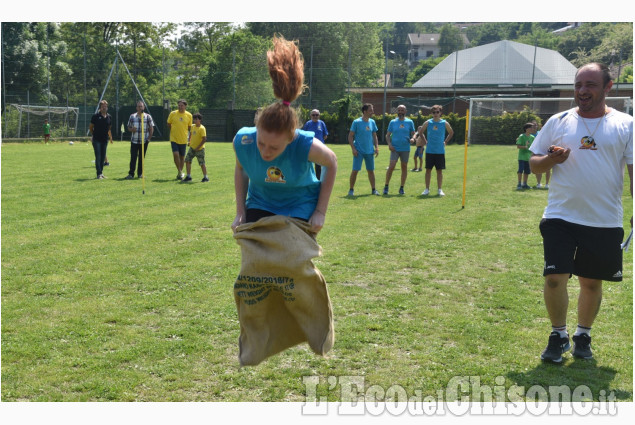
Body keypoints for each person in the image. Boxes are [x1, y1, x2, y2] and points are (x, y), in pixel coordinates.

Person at [529, 62, 633, 363]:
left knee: (590, 282)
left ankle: (583, 335)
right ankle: (558, 335)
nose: (582, 91)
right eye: (578, 85)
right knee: (554, 277)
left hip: (604, 218)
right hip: (560, 215)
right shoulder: (559, 120)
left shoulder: (626, 124)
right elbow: (534, 163)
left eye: (590, 85)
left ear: (607, 88)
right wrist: (551, 161)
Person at [231, 35, 337, 234]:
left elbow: (331, 162)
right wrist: (240, 213)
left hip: (299, 204)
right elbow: (241, 170)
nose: (265, 152)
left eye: (274, 147)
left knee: (292, 259)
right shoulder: (243, 141)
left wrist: (320, 211)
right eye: (261, 143)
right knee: (256, 258)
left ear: (291, 138)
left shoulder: (305, 145)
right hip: (260, 202)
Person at [419, 105, 454, 196]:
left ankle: (439, 189)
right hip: (430, 150)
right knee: (428, 170)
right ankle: (427, 189)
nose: (435, 114)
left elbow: (451, 132)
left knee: (439, 171)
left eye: (437, 112)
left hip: (440, 151)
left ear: (440, 113)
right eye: (434, 112)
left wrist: (445, 141)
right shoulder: (428, 122)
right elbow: (420, 132)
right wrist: (425, 141)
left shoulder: (444, 123)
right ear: (431, 113)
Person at [348, 104, 380, 196]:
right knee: (355, 170)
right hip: (359, 151)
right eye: (370, 110)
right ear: (365, 111)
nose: (372, 112)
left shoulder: (372, 122)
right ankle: (351, 190)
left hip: (369, 151)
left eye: (372, 110)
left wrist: (376, 147)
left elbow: (374, 135)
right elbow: (350, 136)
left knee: (371, 170)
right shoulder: (356, 122)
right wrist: (353, 149)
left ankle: (374, 190)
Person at [383, 104, 415, 195]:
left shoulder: (410, 122)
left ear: (405, 111)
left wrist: (413, 138)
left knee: (404, 167)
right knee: (392, 166)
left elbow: (414, 133)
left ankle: (401, 188)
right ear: (397, 111)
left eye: (402, 110)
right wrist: (389, 144)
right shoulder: (392, 122)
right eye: (399, 110)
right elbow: (388, 135)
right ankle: (386, 186)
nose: (400, 112)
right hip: (395, 148)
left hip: (405, 148)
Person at [125, 101, 154, 179]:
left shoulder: (148, 117)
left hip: (144, 141)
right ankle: (131, 174)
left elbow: (151, 128)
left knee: (141, 158)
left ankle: (140, 174)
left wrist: (148, 139)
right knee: (133, 157)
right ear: (136, 108)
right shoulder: (132, 116)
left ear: (143, 107)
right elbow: (128, 127)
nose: (140, 108)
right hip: (134, 141)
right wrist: (132, 129)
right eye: (139, 106)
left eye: (141, 106)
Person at [167, 99, 193, 180]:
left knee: (182, 157)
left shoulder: (189, 115)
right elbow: (168, 124)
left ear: (185, 106)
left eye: (182, 105)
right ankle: (180, 171)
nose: (180, 107)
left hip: (183, 139)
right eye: (179, 105)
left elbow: (189, 128)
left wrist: (190, 139)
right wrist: (174, 131)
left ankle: (180, 173)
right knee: (175, 155)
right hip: (174, 138)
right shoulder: (173, 113)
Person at [89, 100, 113, 179]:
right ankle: (98, 174)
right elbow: (91, 127)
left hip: (104, 140)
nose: (104, 108)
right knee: (98, 156)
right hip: (96, 140)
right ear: (100, 107)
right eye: (103, 106)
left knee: (103, 157)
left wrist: (110, 137)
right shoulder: (95, 116)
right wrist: (94, 135)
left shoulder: (109, 117)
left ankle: (101, 173)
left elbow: (109, 128)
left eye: (105, 106)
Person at [302, 109, 329, 180]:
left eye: (317, 115)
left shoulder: (322, 123)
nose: (315, 116)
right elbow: (304, 135)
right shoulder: (308, 124)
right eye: (313, 115)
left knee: (318, 165)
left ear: (319, 115)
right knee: (308, 164)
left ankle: (318, 180)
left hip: (319, 148)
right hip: (309, 147)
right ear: (310, 115)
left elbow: (325, 135)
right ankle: (307, 179)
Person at [183, 113, 208, 182]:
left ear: (200, 120)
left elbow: (204, 139)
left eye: (196, 119)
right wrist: (189, 141)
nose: (195, 120)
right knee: (187, 160)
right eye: (194, 119)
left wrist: (198, 147)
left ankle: (206, 177)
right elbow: (190, 134)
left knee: (201, 163)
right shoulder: (193, 126)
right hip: (192, 148)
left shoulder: (202, 128)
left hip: (199, 149)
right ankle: (188, 176)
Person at [531, 120, 550, 189]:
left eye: (535, 125)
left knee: (548, 168)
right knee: (539, 168)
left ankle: (547, 184)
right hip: (537, 152)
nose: (534, 127)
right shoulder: (530, 135)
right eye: (533, 125)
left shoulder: (541, 132)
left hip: (545, 151)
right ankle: (538, 183)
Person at [515, 123, 534, 190]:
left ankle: (524, 184)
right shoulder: (522, 136)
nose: (532, 129)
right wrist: (524, 147)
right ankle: (519, 184)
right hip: (522, 157)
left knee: (527, 171)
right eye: (531, 127)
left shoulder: (532, 137)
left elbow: (533, 147)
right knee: (520, 170)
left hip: (528, 158)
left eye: (532, 128)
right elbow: (518, 146)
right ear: (526, 129)